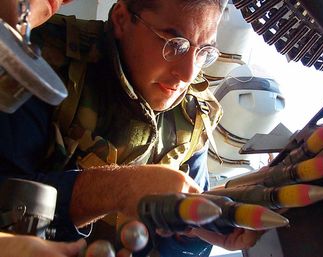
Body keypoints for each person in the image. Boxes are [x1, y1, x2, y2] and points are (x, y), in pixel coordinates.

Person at [0, 0, 262, 256]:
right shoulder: (45, 60)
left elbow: (176, 245)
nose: (187, 74)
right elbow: (6, 208)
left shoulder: (194, 114)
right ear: (122, 19)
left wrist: (190, 233)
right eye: (175, 44)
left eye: (204, 52)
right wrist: (117, 188)